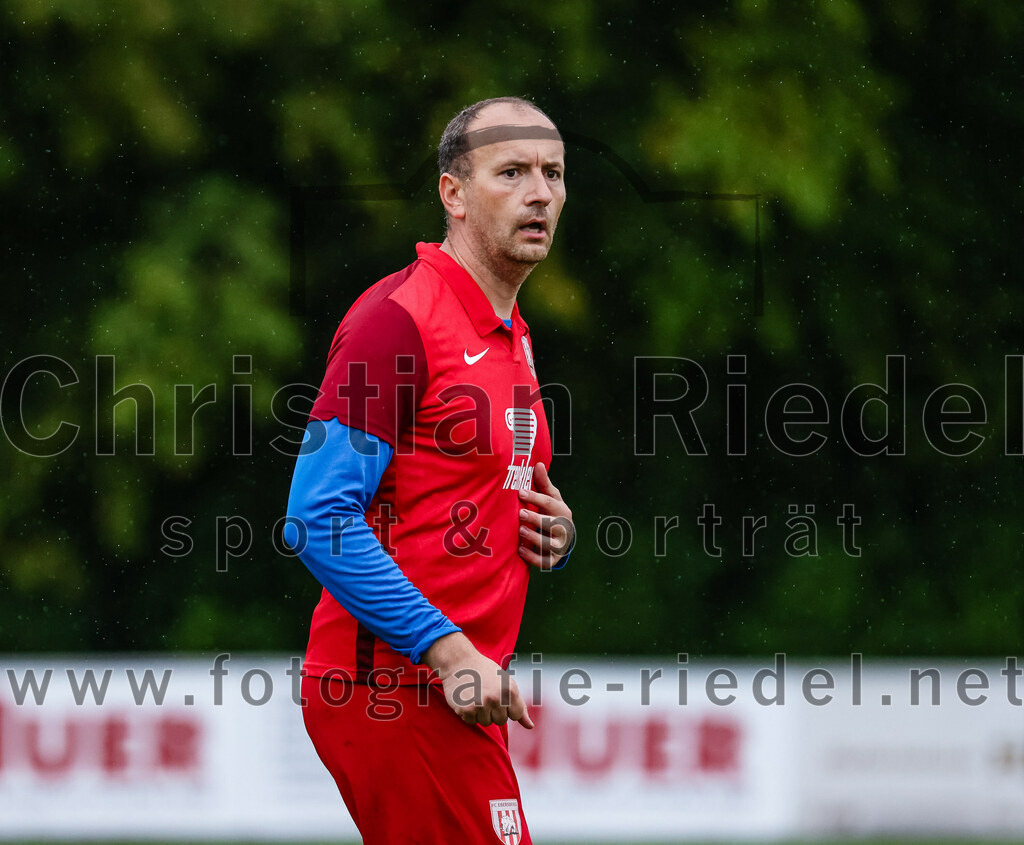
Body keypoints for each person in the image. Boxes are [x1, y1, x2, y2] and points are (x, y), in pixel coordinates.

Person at [283, 96, 574, 845]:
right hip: (396, 686)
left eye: (553, 173)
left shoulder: (513, 334)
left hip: (452, 688)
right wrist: (447, 652)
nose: (539, 192)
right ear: (453, 194)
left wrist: (549, 528)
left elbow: (469, 487)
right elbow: (317, 517)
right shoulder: (398, 321)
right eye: (511, 172)